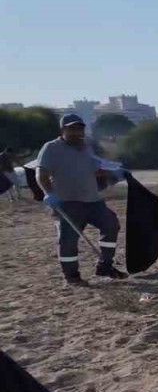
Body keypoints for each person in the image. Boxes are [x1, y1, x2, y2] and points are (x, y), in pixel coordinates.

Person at [35, 114, 127, 286]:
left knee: (111, 225)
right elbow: (41, 172)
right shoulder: (51, 148)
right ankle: (72, 277)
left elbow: (93, 170)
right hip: (67, 202)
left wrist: (115, 173)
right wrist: (48, 193)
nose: (76, 132)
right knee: (68, 241)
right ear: (62, 130)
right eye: (72, 129)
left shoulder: (86, 147)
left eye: (79, 129)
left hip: (93, 201)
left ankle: (105, 266)